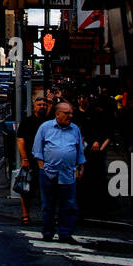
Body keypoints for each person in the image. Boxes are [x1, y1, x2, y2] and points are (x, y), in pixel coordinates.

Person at [32, 101, 85, 242]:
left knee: (69, 205)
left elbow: (80, 150)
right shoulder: (45, 127)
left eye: (71, 113)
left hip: (68, 173)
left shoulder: (75, 129)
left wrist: (81, 167)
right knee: (48, 205)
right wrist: (42, 167)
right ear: (57, 114)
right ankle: (48, 232)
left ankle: (65, 233)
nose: (70, 116)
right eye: (67, 113)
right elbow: (37, 150)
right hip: (49, 172)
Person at [16, 94, 49, 214]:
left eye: (44, 105)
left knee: (47, 190)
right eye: (39, 105)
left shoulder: (50, 122)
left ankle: (48, 216)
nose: (42, 107)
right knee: (26, 189)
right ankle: (25, 214)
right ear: (34, 107)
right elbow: (20, 140)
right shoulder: (27, 122)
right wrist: (24, 158)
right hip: (30, 160)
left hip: (47, 161)